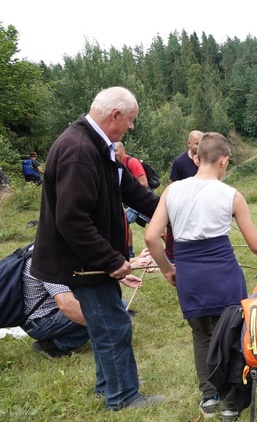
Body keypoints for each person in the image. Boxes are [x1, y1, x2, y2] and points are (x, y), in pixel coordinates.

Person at [30, 86, 164, 410]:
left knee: (108, 323)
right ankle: (122, 397)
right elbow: (72, 219)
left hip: (90, 259)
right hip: (84, 262)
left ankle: (109, 384)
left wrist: (171, 212)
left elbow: (131, 190)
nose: (132, 126)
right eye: (131, 120)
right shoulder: (80, 150)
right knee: (113, 326)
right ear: (115, 115)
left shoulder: (100, 147)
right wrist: (112, 261)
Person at [145, 132, 257, 419]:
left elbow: (150, 237)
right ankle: (230, 404)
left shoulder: (172, 191)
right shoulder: (231, 195)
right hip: (223, 276)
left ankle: (209, 397)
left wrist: (168, 269)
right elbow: (256, 244)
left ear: (196, 157)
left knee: (201, 335)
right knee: (231, 337)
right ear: (224, 160)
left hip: (190, 274)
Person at [22, 246, 151, 359]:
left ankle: (57, 342)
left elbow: (81, 271)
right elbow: (67, 305)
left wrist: (121, 276)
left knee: (115, 307)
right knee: (109, 312)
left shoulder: (50, 246)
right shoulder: (49, 258)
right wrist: (108, 327)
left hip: (46, 312)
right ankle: (55, 345)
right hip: (40, 322)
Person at [165, 130, 203, 261]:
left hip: (202, 203)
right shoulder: (179, 161)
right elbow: (172, 184)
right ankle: (171, 258)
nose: (200, 147)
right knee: (172, 229)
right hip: (183, 203)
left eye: (203, 143)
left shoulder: (207, 160)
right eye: (198, 144)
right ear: (189, 143)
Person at [114, 141, 149, 258]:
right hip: (132, 201)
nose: (114, 154)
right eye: (112, 151)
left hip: (144, 199)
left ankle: (170, 250)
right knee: (124, 223)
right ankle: (129, 253)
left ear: (123, 151)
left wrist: (128, 189)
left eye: (116, 151)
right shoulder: (115, 165)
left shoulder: (132, 162)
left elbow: (144, 184)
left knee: (157, 225)